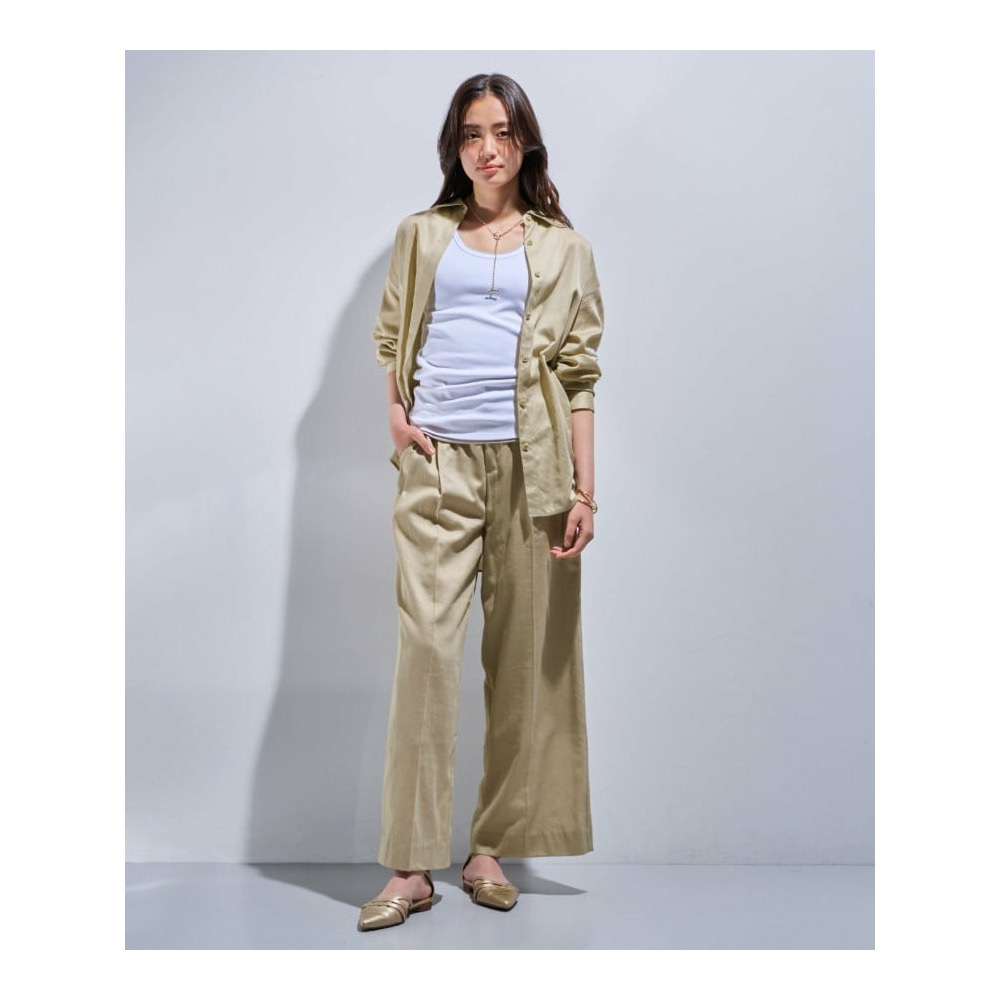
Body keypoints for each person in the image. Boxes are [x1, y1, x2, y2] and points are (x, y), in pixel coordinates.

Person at [358, 72, 604, 932]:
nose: (487, 149)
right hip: (439, 466)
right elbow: (392, 335)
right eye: (471, 134)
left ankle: (490, 848)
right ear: (454, 146)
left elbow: (579, 374)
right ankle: (411, 865)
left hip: (535, 473)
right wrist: (398, 419)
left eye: (501, 132)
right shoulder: (423, 234)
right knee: (427, 653)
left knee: (522, 662)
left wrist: (585, 490)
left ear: (525, 142)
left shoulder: (565, 248)